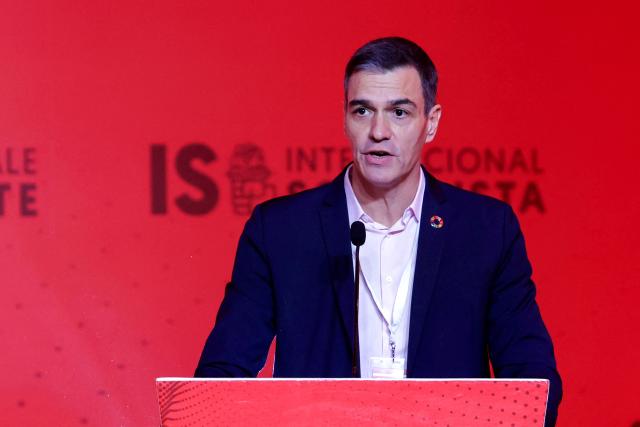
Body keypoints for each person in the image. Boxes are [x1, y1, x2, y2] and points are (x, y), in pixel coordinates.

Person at [195, 37, 562, 425]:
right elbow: (221, 377)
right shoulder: (281, 231)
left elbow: (533, 383)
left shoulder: (485, 231)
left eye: (399, 113)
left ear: (431, 122)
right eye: (363, 110)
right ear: (344, 118)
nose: (378, 131)